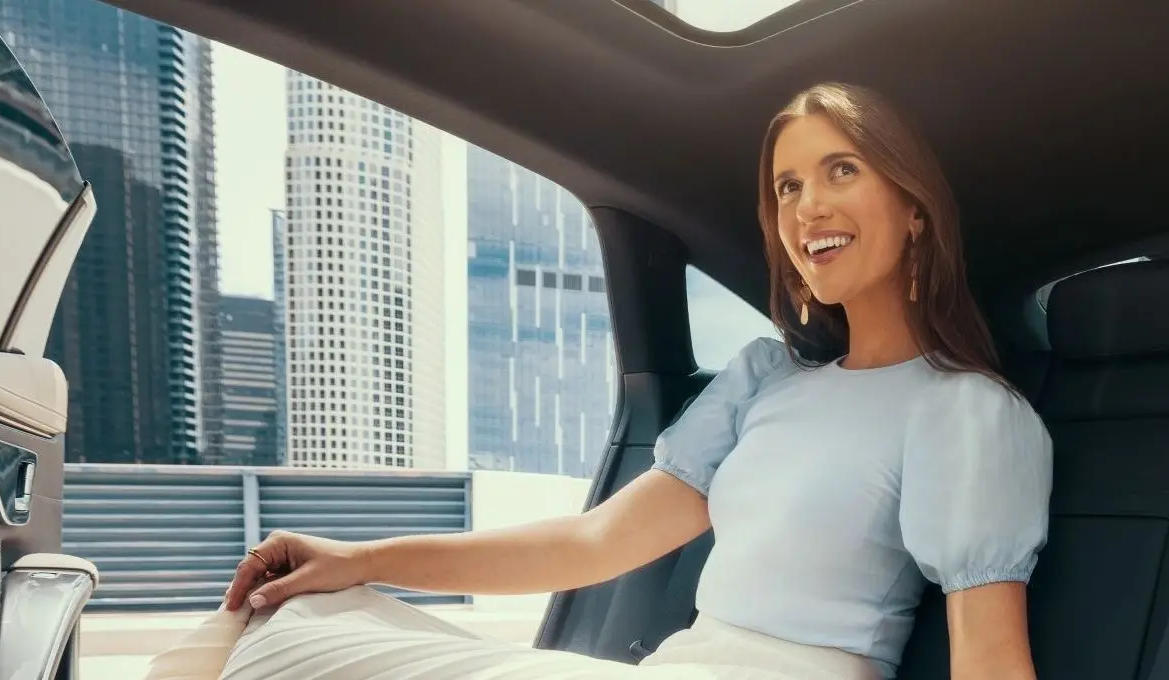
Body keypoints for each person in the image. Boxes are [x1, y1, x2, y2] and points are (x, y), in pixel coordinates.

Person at [148, 82, 1053, 680]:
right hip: (672, 669)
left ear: (916, 212)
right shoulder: (768, 380)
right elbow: (588, 547)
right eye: (785, 187)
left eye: (840, 171)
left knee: (272, 652)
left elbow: (989, 660)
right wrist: (362, 558)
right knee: (303, 610)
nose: (805, 205)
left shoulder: (965, 410)